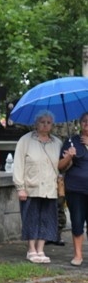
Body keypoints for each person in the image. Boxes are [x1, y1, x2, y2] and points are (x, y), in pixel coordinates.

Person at [13, 110, 62, 264]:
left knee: (47, 220)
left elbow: (62, 166)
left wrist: (70, 157)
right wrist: (20, 187)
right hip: (31, 187)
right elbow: (18, 164)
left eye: (48, 122)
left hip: (50, 188)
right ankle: (31, 249)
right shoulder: (25, 140)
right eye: (42, 122)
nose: (45, 125)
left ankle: (41, 249)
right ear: (36, 123)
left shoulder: (57, 142)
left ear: (52, 125)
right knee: (31, 219)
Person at [58, 111, 88, 266]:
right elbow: (60, 166)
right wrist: (69, 156)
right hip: (76, 189)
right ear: (79, 123)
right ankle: (78, 255)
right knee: (77, 221)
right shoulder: (71, 141)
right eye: (84, 121)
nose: (86, 124)